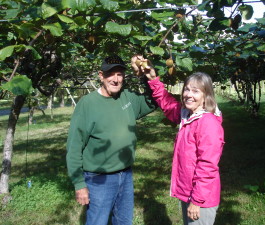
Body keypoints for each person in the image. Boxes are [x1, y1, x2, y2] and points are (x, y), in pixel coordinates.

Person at [66, 55, 156, 225]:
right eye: (111, 74)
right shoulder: (87, 104)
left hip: (125, 174)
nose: (115, 79)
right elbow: (74, 147)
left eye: (120, 74)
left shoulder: (127, 97)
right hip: (99, 179)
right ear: (101, 75)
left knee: (124, 221)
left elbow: (153, 101)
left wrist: (146, 75)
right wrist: (79, 183)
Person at [138, 59, 224, 225]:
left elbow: (208, 166)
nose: (188, 95)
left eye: (195, 91)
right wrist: (152, 79)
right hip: (189, 191)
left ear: (206, 95)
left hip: (201, 196)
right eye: (186, 89)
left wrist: (197, 201)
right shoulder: (188, 115)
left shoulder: (208, 123)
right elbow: (167, 103)